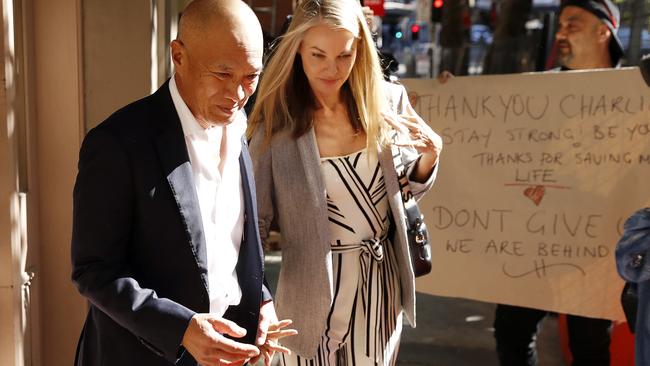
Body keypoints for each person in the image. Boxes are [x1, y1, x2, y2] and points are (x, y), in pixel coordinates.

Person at [70, 1, 295, 365]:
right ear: (178, 55)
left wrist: (262, 300)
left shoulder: (238, 130)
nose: (238, 95)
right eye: (223, 74)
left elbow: (232, 243)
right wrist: (181, 328)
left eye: (250, 77)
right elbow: (93, 270)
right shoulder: (116, 142)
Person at [247, 0, 443, 365]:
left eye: (345, 55)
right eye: (318, 54)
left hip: (380, 289)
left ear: (361, 50)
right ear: (298, 49)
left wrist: (430, 157)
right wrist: (259, 299)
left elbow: (404, 193)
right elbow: (254, 224)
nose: (331, 69)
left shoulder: (388, 101)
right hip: (307, 299)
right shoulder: (276, 125)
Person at [493, 1, 623, 365]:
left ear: (604, 31)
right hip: (533, 239)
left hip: (597, 248)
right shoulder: (539, 94)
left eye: (573, 24)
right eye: (561, 24)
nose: (561, 33)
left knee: (589, 346)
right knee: (512, 333)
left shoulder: (634, 95)